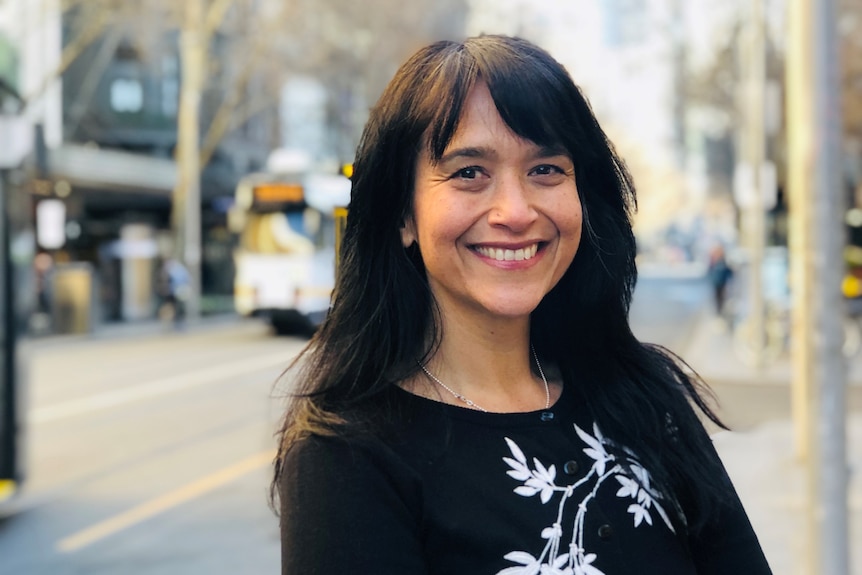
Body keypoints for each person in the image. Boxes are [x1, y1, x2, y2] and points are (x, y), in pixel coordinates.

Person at [274, 35, 772, 575]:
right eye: (469, 173)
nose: (514, 211)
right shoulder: (347, 454)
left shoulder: (645, 397)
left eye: (545, 170)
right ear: (403, 215)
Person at [707, 244, 734, 319]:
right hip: (716, 282)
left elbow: (727, 270)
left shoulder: (722, 261)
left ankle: (720, 310)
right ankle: (718, 311)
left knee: (721, 296)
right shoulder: (714, 261)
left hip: (722, 282)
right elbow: (710, 270)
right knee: (717, 296)